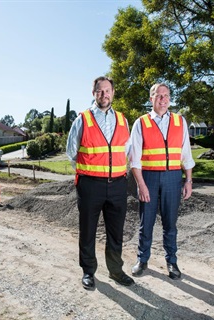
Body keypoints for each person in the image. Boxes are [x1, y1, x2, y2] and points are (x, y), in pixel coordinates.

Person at [66, 76, 134, 290]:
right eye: (99, 91)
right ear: (93, 93)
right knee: (88, 230)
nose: (104, 95)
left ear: (113, 93)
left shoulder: (123, 120)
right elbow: (71, 152)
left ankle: (115, 270)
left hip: (117, 185)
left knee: (116, 231)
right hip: (90, 185)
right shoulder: (82, 120)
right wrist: (91, 171)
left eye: (107, 91)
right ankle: (88, 271)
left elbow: (127, 151)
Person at [129, 83, 195, 279]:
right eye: (159, 96)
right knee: (146, 222)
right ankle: (142, 260)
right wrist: (141, 184)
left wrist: (188, 180)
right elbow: (135, 159)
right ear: (152, 99)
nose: (163, 99)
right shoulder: (141, 123)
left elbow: (186, 154)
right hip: (148, 178)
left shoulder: (179, 121)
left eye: (166, 95)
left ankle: (172, 262)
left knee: (170, 224)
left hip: (173, 178)